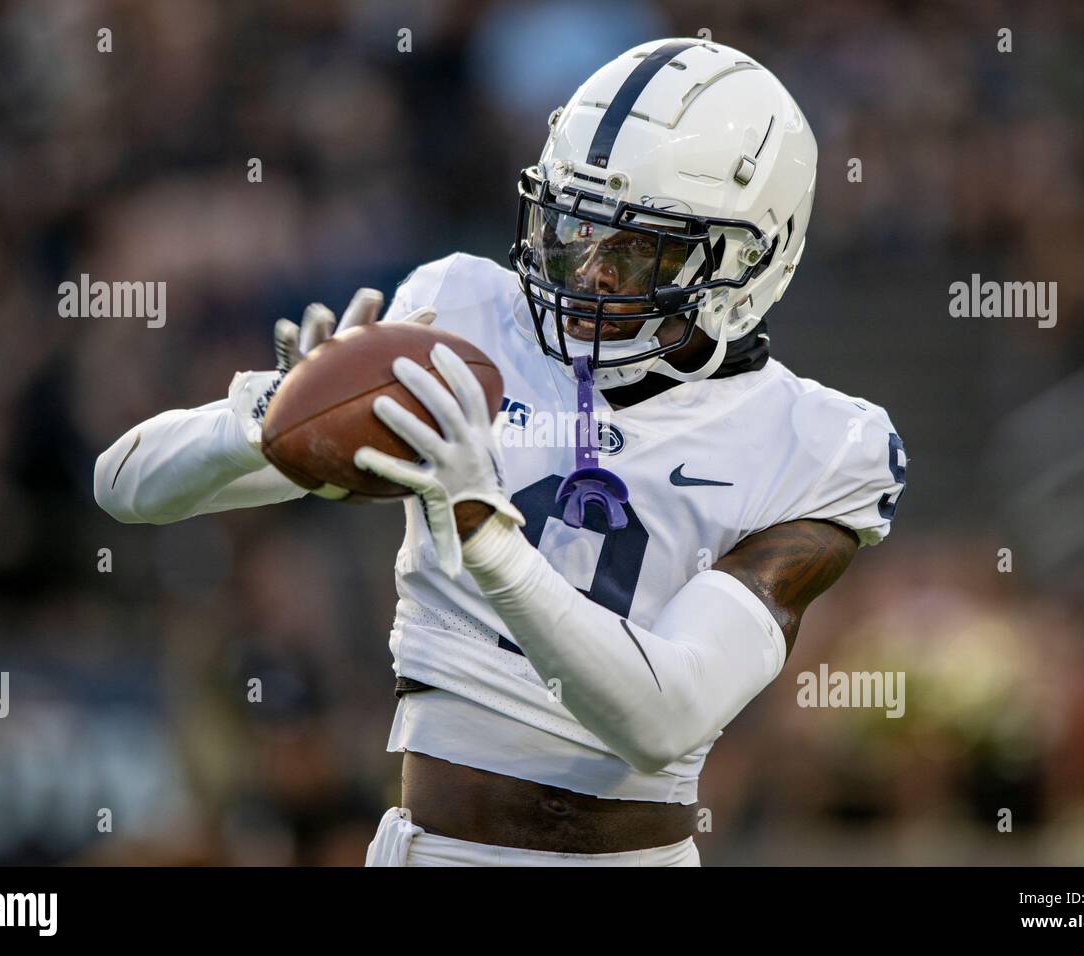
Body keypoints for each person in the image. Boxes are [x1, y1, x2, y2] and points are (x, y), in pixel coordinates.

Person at [95, 38, 906, 867]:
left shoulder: (817, 444)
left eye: (634, 251)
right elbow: (124, 485)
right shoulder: (466, 313)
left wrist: (485, 533)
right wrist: (266, 416)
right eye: (570, 227)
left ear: (748, 261)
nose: (586, 273)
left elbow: (663, 720)